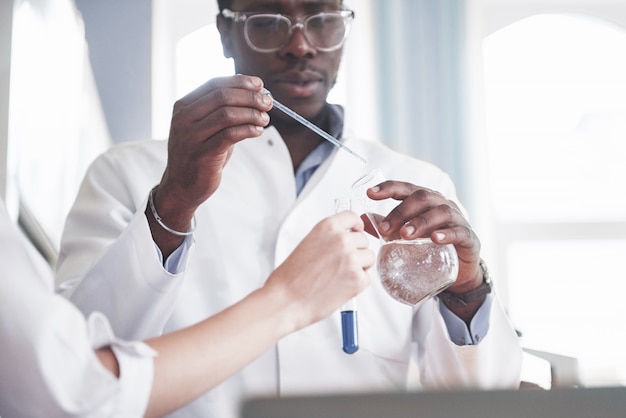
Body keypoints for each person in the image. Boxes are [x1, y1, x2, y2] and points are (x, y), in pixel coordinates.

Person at [56, 0, 524, 417]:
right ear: (225, 31)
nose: (299, 45)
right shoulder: (129, 173)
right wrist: (176, 199)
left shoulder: (419, 187)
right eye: (267, 20)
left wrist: (467, 291)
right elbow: (71, 367)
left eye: (322, 19)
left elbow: (479, 398)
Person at [0, 196, 373, 417]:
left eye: (324, 52)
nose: (302, 55)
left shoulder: (412, 178)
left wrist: (435, 286)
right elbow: (73, 386)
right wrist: (288, 299)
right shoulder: (129, 166)